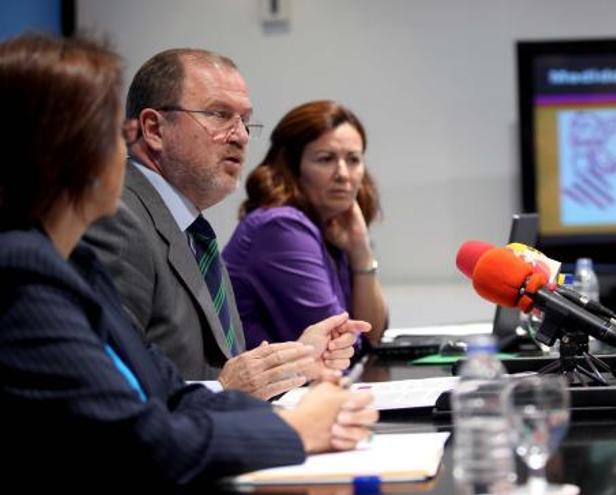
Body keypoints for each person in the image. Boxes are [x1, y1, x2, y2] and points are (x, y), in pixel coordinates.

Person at [0, 33, 377, 487]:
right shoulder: (22, 272)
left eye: (244, 121)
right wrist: (295, 429)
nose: (124, 142)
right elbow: (136, 440)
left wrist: (291, 388)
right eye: (105, 127)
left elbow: (169, 395)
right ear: (53, 149)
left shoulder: (79, 263)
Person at [84, 50, 368, 400]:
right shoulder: (118, 220)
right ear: (154, 129)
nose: (241, 136)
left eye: (245, 120)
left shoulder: (192, 228)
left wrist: (297, 359)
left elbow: (224, 368)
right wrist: (224, 389)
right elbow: (105, 392)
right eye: (219, 115)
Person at [223, 101, 388, 350]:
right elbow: (342, 345)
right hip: (267, 389)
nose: (343, 173)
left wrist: (361, 252)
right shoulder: (280, 227)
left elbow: (372, 334)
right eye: (326, 159)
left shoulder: (331, 225)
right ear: (292, 166)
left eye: (353, 160)